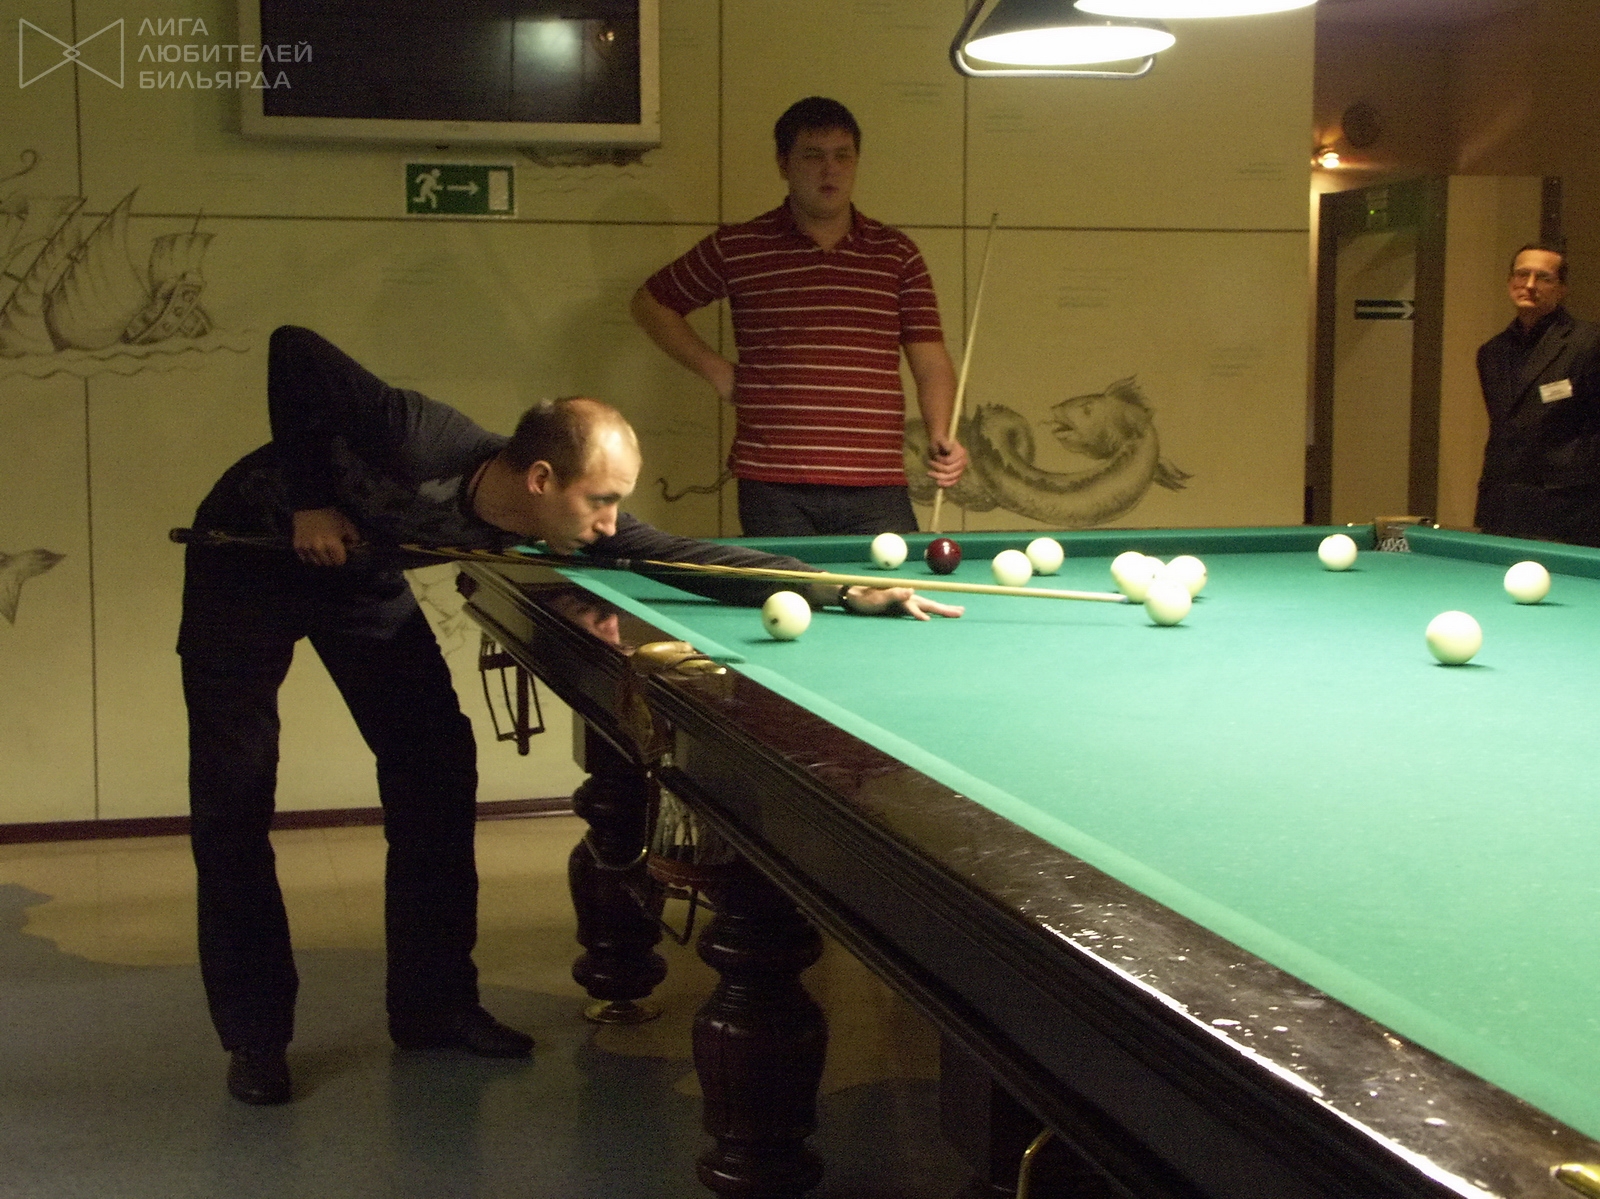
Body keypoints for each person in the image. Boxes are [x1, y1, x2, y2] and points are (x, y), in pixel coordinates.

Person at [179, 325, 960, 1107]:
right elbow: (293, 351)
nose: (613, 521)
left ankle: (433, 1004)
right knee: (235, 794)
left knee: (435, 766)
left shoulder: (556, 518)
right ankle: (255, 1035)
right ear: (542, 478)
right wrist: (312, 502)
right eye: (602, 500)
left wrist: (836, 589)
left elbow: (678, 555)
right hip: (243, 558)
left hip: (360, 569)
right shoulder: (417, 435)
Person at [630, 96, 968, 537]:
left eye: (842, 156)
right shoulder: (740, 246)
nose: (830, 170)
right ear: (783, 164)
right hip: (773, 481)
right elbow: (651, 303)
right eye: (812, 156)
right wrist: (718, 372)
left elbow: (931, 362)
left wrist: (941, 432)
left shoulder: (896, 254)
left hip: (875, 481)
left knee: (893, 581)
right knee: (786, 585)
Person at [1475, 242, 1600, 545]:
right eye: (1522, 275)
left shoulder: (1588, 343)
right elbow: (1503, 429)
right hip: (1503, 505)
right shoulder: (1491, 352)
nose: (1529, 285)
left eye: (1543, 278)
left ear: (1562, 289)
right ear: (1510, 282)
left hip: (1569, 508)